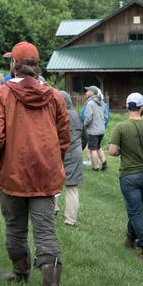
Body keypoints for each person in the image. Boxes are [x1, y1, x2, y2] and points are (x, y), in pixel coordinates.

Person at [0, 41, 70, 286]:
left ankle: (20, 274)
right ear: (36, 65)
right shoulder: (54, 96)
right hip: (45, 175)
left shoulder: (1, 94)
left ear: (14, 65)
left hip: (13, 173)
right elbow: (64, 138)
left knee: (15, 228)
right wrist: (54, 162)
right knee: (46, 233)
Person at [108, 92, 143, 261]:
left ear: (127, 106)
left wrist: (122, 150)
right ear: (142, 107)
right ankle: (130, 237)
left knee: (135, 211)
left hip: (129, 175)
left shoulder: (121, 127)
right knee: (138, 209)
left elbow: (112, 151)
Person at [57, 90, 85, 227]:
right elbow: (84, 135)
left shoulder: (55, 114)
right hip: (75, 151)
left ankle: (53, 209)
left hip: (57, 151)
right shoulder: (76, 115)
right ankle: (71, 220)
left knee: (52, 182)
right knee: (72, 187)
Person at [83, 85, 107, 171]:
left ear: (92, 93)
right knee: (98, 147)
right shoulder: (101, 103)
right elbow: (104, 115)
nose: (86, 92)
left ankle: (95, 167)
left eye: (88, 91)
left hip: (93, 130)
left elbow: (89, 117)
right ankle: (104, 163)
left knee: (92, 149)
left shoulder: (90, 103)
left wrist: (84, 124)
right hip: (101, 129)